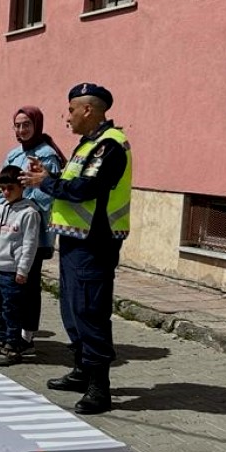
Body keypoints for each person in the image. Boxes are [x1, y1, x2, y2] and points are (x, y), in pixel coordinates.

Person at [22, 83, 131, 415]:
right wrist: (50, 178)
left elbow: (85, 188)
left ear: (88, 109)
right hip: (74, 241)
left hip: (94, 243)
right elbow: (72, 184)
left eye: (71, 109)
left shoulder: (109, 146)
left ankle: (100, 388)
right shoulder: (88, 145)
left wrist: (48, 183)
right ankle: (82, 371)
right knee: (73, 309)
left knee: (90, 312)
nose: (66, 116)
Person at [3, 106, 66, 351]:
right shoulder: (13, 154)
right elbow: (4, 187)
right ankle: (10, 332)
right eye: (17, 125)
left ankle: (26, 336)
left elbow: (46, 196)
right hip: (10, 232)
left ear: (37, 125)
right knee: (10, 284)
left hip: (34, 234)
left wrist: (20, 204)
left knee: (28, 286)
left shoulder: (45, 155)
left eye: (26, 125)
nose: (21, 130)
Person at [0, 165, 42, 367]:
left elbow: (30, 244)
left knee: (12, 310)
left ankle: (13, 346)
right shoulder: (0, 209)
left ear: (22, 187)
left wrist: (23, 270)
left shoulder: (29, 213)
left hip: (13, 272)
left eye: (11, 188)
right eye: (3, 189)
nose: (6, 192)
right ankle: (0, 341)